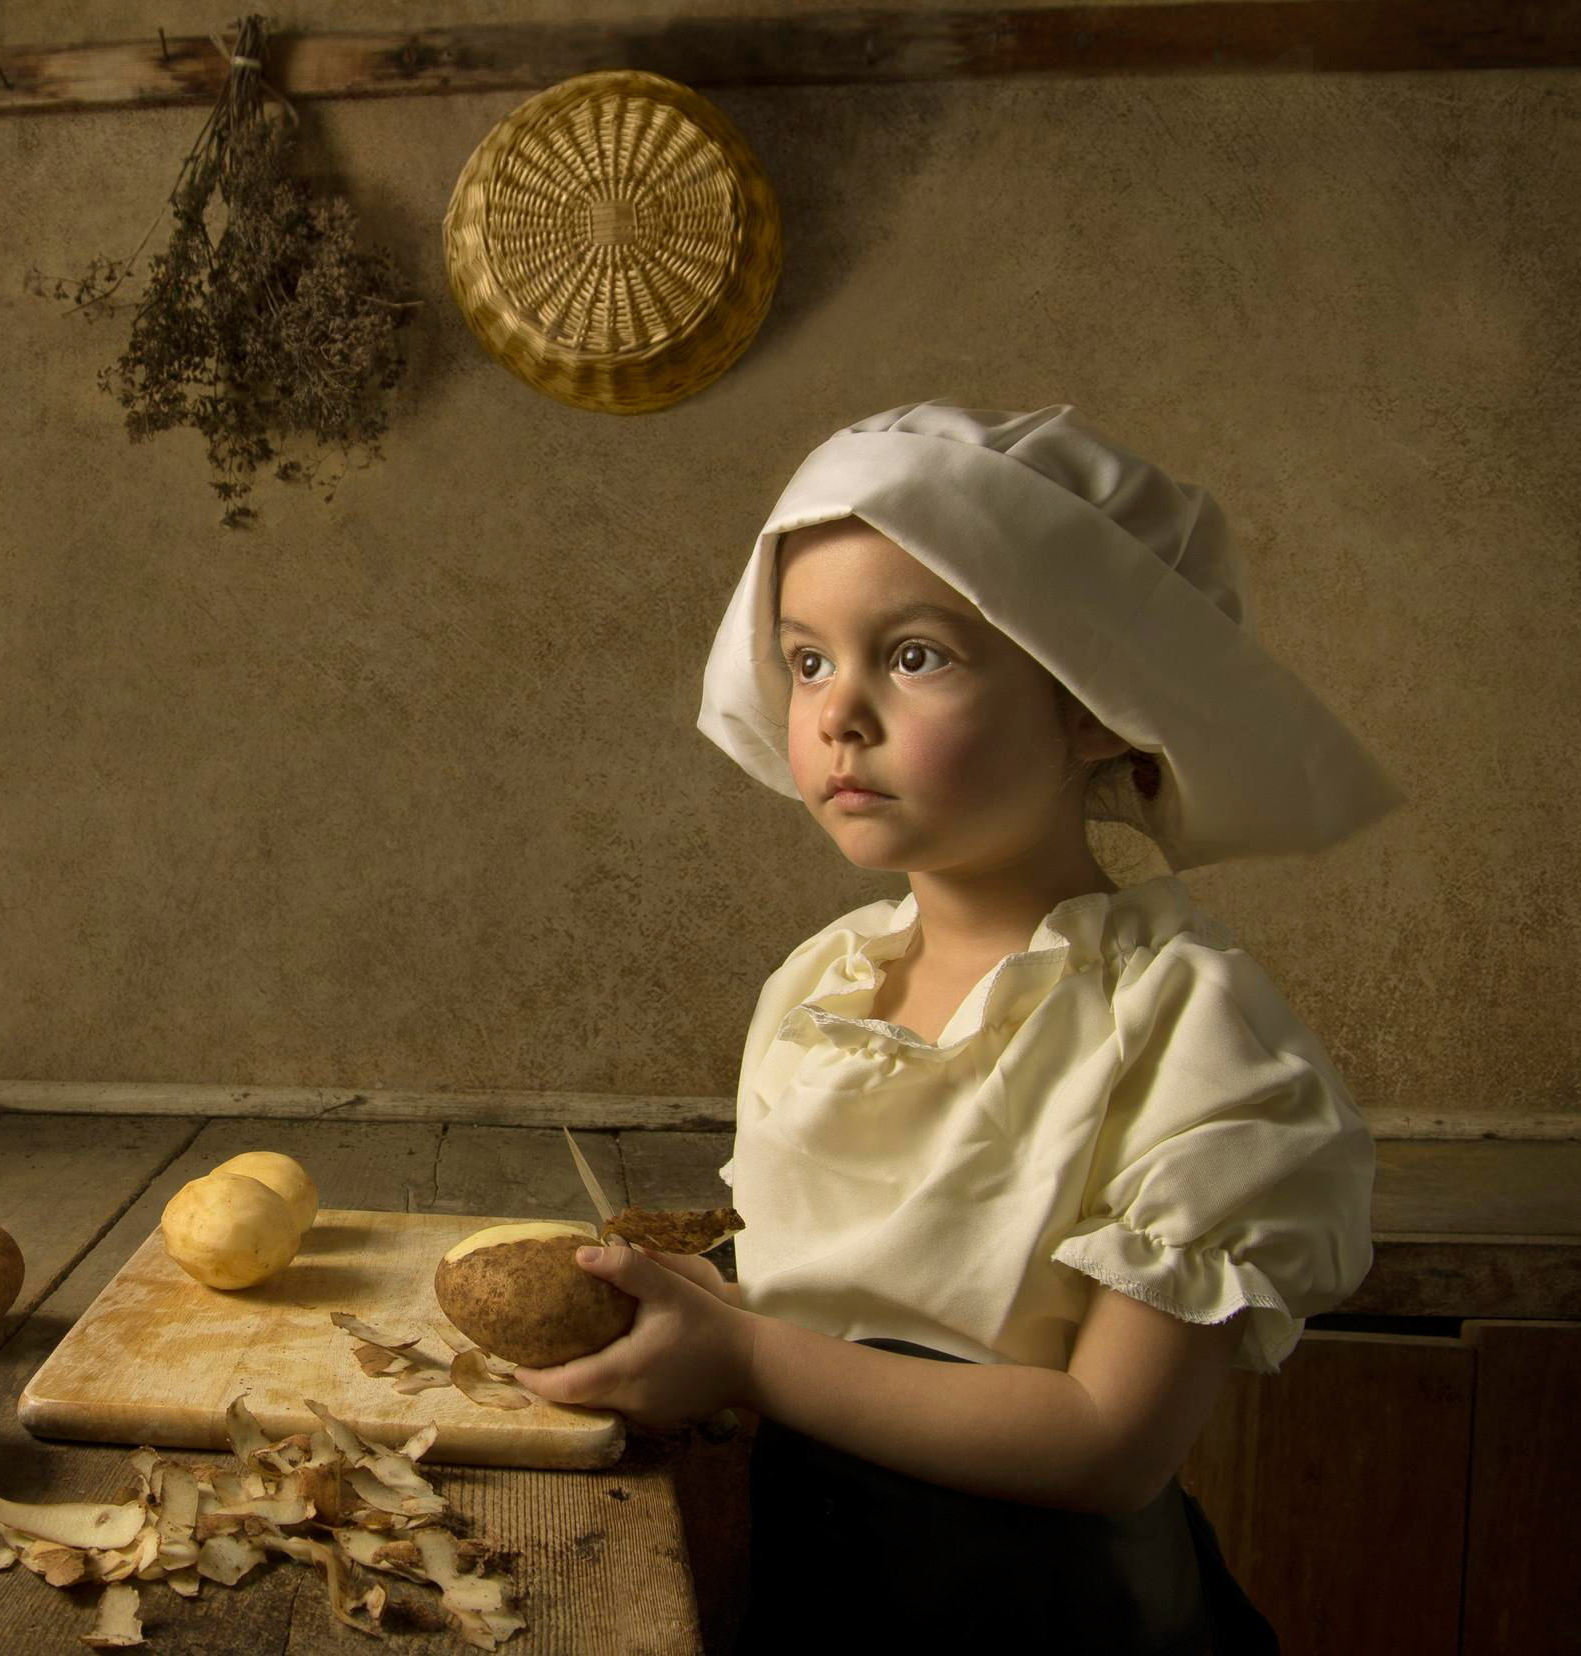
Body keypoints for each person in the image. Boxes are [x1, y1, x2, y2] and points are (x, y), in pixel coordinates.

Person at [514, 401, 1404, 1653]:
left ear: (1093, 703)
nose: (838, 715)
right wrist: (685, 1316)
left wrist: (746, 1361)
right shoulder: (820, 989)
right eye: (808, 659)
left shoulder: (1188, 1028)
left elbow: (1108, 1443)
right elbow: (828, 1299)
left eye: (915, 655)